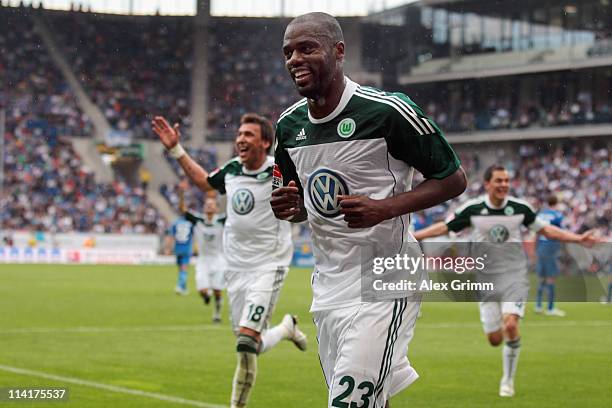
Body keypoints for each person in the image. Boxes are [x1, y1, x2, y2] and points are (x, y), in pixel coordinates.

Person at [271, 13, 467, 408]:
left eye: (307, 48)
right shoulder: (288, 127)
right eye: (288, 52)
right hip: (328, 287)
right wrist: (288, 207)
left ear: (338, 51)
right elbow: (298, 206)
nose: (295, 59)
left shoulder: (388, 111)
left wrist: (384, 208)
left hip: (386, 273)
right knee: (372, 397)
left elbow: (452, 178)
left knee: (349, 403)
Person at [152, 113, 307, 408]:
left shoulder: (280, 170)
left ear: (265, 142)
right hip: (235, 269)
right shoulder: (233, 169)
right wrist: (176, 150)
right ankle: (285, 329)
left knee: (247, 340)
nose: (240, 139)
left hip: (268, 265)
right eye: (239, 134)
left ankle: (236, 405)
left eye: (248, 134)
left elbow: (301, 200)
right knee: (250, 343)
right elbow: (204, 182)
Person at [413, 165, 599, 398]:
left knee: (511, 325)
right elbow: (445, 227)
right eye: (499, 181)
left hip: (514, 277)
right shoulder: (473, 209)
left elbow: (548, 231)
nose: (504, 185)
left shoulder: (520, 209)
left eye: (506, 181)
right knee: (494, 339)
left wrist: (578, 238)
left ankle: (507, 380)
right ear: (488, 184)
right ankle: (501, 329)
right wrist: (414, 236)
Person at [184, 194, 227, 323]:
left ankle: (217, 314)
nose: (208, 206)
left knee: (218, 291)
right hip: (202, 260)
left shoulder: (221, 220)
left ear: (216, 209)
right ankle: (206, 295)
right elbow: (183, 210)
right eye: (206, 204)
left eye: (211, 204)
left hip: (218, 259)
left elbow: (235, 213)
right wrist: (181, 195)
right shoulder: (198, 220)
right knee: (203, 291)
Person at [535, 194, 565, 316]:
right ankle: (550, 308)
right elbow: (559, 232)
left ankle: (538, 305)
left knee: (542, 277)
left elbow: (536, 231)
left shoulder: (541, 214)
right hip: (551, 247)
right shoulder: (557, 215)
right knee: (551, 277)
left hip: (541, 246)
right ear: (556, 203)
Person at [168, 213, 195, 296]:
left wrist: (169, 248)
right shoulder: (191, 223)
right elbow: (194, 235)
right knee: (184, 269)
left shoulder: (175, 223)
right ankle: (179, 286)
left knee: (180, 269)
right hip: (186, 248)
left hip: (177, 248)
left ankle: (184, 288)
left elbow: (171, 236)